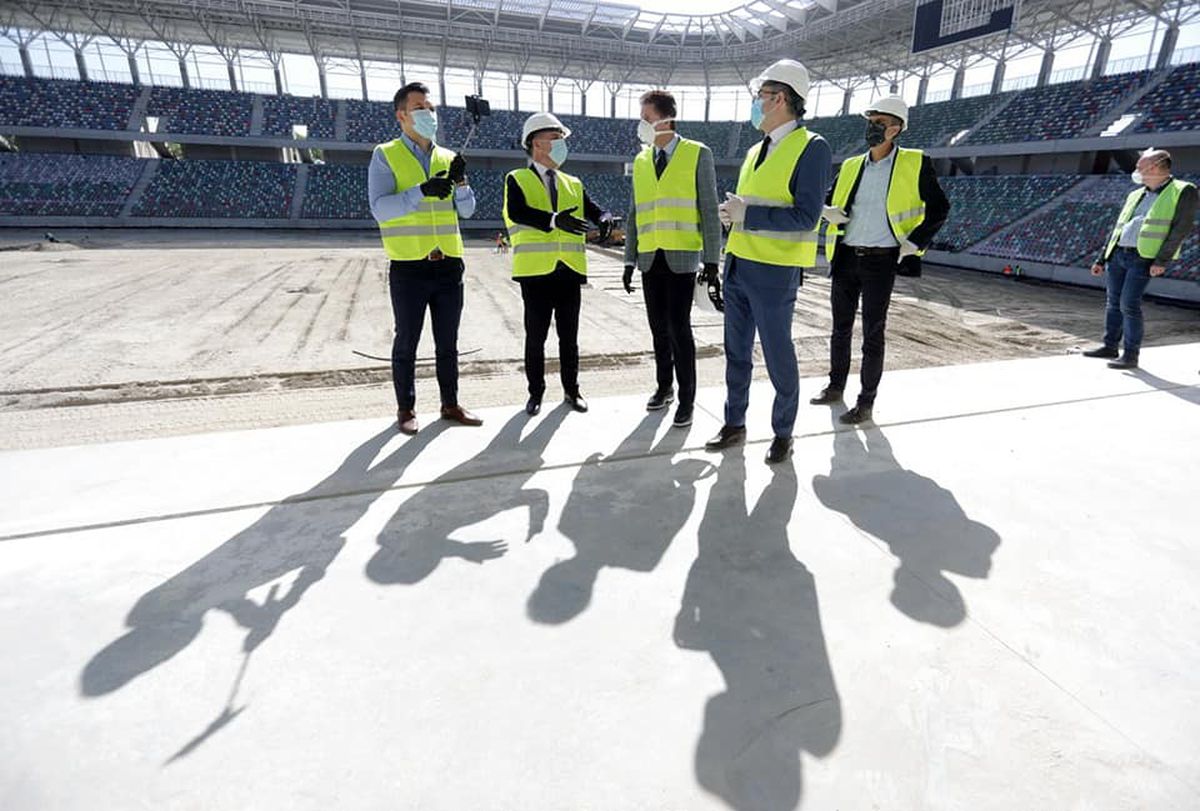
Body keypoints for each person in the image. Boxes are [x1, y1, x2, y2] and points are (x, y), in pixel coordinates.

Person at [706, 59, 832, 465]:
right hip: (739, 266)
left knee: (778, 355)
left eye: (760, 97)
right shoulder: (753, 150)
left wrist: (749, 215)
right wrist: (734, 218)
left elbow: (807, 216)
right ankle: (735, 423)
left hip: (775, 274)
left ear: (779, 99)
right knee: (736, 353)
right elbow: (753, 206)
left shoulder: (812, 147)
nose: (756, 104)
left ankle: (783, 432)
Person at [812, 95, 950, 424]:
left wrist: (913, 243)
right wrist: (827, 212)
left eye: (878, 123)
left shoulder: (915, 162)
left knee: (873, 332)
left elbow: (940, 208)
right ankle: (835, 386)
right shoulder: (850, 166)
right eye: (870, 121)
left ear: (895, 129)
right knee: (840, 329)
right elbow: (829, 201)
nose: (871, 128)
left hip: (882, 260)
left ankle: (866, 401)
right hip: (846, 257)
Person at [368, 81, 483, 435]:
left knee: (448, 341)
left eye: (431, 108)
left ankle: (450, 404)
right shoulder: (385, 155)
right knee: (407, 342)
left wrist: (461, 183)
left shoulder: (449, 157)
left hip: (449, 265)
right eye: (421, 108)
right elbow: (380, 209)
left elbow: (467, 212)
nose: (429, 114)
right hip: (410, 267)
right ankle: (406, 409)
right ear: (402, 115)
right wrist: (421, 191)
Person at [623, 89, 723, 429]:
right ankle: (664, 386)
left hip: (682, 257)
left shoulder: (697, 154)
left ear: (668, 119)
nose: (643, 125)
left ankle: (687, 399)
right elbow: (635, 212)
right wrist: (627, 260)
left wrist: (712, 261)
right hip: (650, 259)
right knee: (657, 329)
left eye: (647, 118)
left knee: (680, 329)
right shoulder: (640, 161)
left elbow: (709, 210)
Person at [503, 112, 614, 416]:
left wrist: (604, 218)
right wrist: (554, 220)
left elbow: (594, 209)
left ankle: (571, 390)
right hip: (535, 273)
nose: (562, 144)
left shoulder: (573, 183)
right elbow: (518, 212)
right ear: (537, 143)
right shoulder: (517, 179)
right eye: (556, 139)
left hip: (568, 271)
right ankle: (535, 393)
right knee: (535, 338)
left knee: (569, 337)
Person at [1083, 148, 1197, 369]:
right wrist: (1102, 258)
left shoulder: (1182, 190)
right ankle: (1109, 346)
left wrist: (1161, 261)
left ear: (1154, 167)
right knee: (1113, 303)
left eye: (1140, 167)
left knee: (1129, 305)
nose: (1136, 170)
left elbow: (1180, 229)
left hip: (1144, 257)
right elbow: (1118, 228)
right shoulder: (1135, 194)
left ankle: (1131, 355)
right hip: (1119, 255)